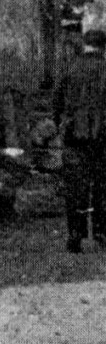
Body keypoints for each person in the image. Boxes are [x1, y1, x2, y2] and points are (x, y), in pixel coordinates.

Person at [54, 29, 106, 252]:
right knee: (102, 184)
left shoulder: (70, 67)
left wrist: (60, 124)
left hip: (74, 134)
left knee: (76, 186)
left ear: (85, 44)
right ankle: (102, 232)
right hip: (102, 136)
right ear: (103, 47)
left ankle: (75, 234)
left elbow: (57, 101)